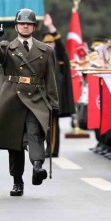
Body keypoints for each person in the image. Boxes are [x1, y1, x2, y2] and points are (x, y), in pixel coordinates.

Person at [0, 9, 59, 197]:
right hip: (13, 98)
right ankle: (17, 181)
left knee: (35, 133)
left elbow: (50, 79)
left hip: (36, 97)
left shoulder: (46, 50)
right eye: (22, 23)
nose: (25, 25)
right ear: (16, 26)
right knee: (15, 143)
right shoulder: (7, 48)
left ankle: (37, 167)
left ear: (34, 27)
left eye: (29, 23)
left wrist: (54, 104)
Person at [41, 13, 75, 157]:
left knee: (53, 125)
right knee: (44, 126)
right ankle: (47, 148)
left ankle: (52, 150)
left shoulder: (58, 56)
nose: (49, 45)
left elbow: (61, 47)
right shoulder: (40, 57)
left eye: (51, 43)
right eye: (46, 43)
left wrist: (50, 27)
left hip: (54, 97)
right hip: (42, 97)